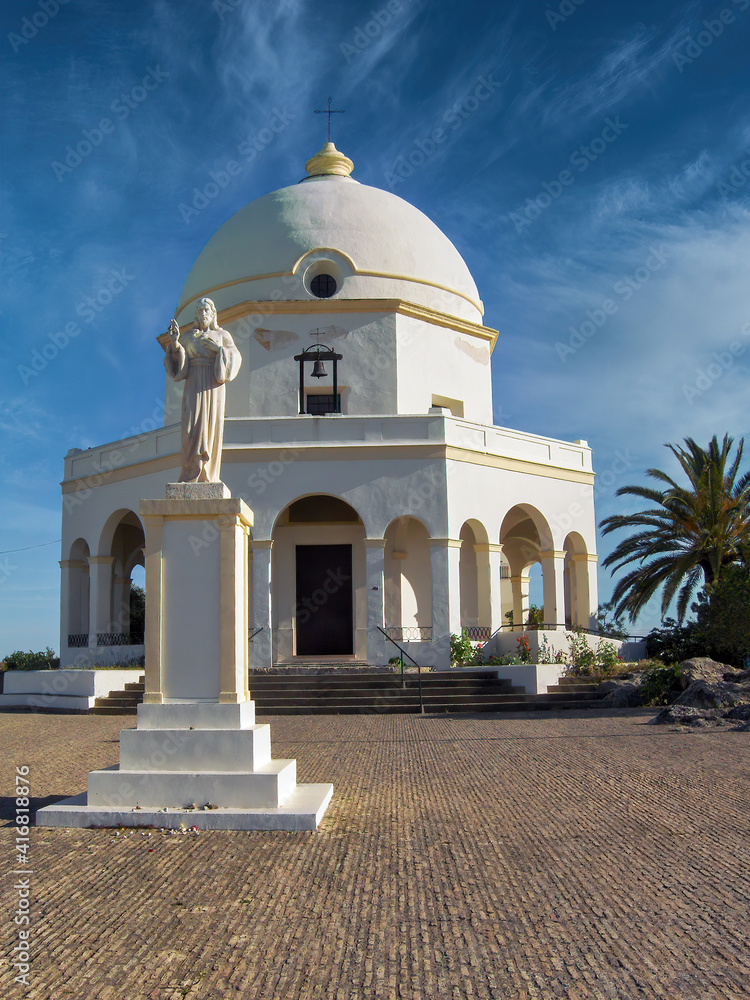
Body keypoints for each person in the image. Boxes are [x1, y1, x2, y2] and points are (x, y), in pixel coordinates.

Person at [163, 297, 241, 483]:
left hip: (213, 383)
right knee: (190, 428)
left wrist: (219, 350)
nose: (203, 313)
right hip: (193, 383)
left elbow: (235, 357)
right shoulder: (188, 337)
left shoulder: (223, 336)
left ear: (213, 313)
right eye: (199, 311)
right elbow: (179, 370)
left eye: (206, 310)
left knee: (211, 426)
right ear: (196, 315)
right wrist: (174, 343)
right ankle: (190, 473)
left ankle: (208, 474)